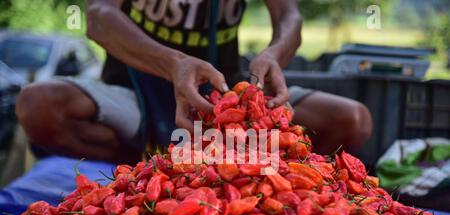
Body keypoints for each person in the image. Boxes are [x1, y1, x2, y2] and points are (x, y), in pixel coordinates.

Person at [16, 0, 372, 165]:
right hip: (133, 91)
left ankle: (237, 166)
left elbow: (289, 14)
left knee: (352, 120)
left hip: (226, 93)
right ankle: (149, 169)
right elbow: (97, 17)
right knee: (38, 105)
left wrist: (275, 54)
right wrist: (173, 63)